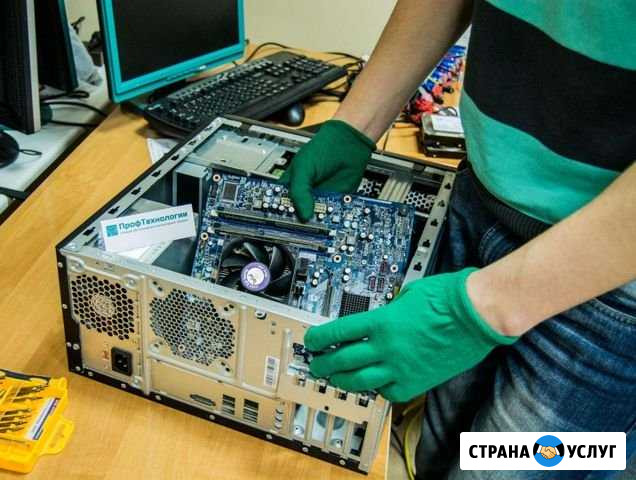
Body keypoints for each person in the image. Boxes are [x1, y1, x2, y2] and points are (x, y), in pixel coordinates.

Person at [281, 0, 636, 478]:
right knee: (441, 450)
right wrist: (355, 126)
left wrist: (484, 309)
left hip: (609, 280)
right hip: (480, 199)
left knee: (506, 466)